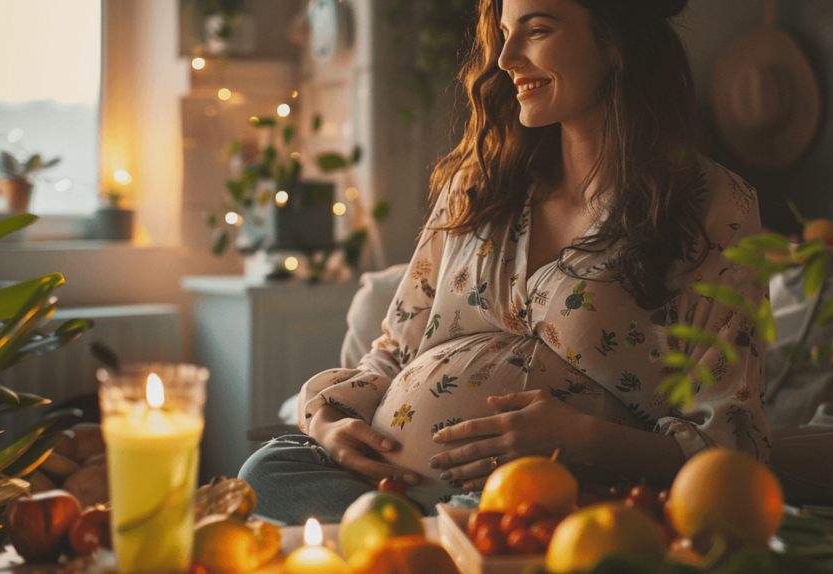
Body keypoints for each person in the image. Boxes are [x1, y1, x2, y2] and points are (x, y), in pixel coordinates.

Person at [239, 0, 770, 524]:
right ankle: (418, 534)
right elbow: (396, 349)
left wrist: (582, 438)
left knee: (501, 511)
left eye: (536, 30)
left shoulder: (712, 207)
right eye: (504, 32)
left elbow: (731, 443)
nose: (505, 57)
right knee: (268, 470)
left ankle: (424, 537)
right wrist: (330, 421)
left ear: (615, 43)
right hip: (392, 480)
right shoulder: (478, 185)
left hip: (558, 491)